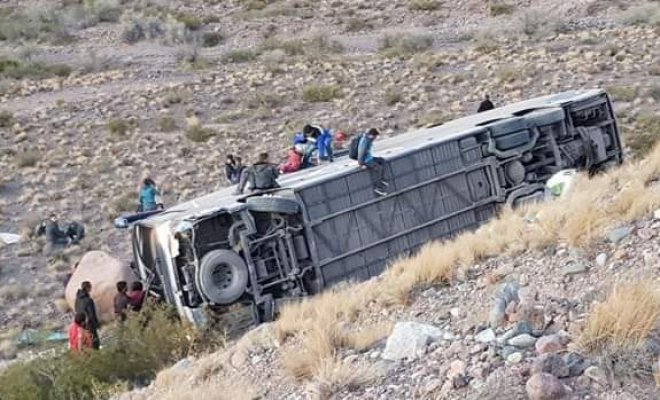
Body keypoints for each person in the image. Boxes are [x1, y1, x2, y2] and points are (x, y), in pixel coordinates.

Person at [357, 128, 389, 196]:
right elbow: (361, 153)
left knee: (381, 160)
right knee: (379, 168)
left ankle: (382, 179)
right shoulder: (365, 141)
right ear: (371, 135)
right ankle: (378, 188)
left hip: (369, 158)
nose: (375, 138)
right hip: (366, 161)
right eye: (375, 137)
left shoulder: (368, 140)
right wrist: (361, 164)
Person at [75, 281, 100, 349]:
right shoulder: (88, 300)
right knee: (95, 343)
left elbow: (76, 310)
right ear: (87, 288)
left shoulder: (77, 299)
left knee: (85, 344)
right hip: (89, 325)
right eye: (90, 287)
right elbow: (92, 315)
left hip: (80, 324)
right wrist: (97, 325)